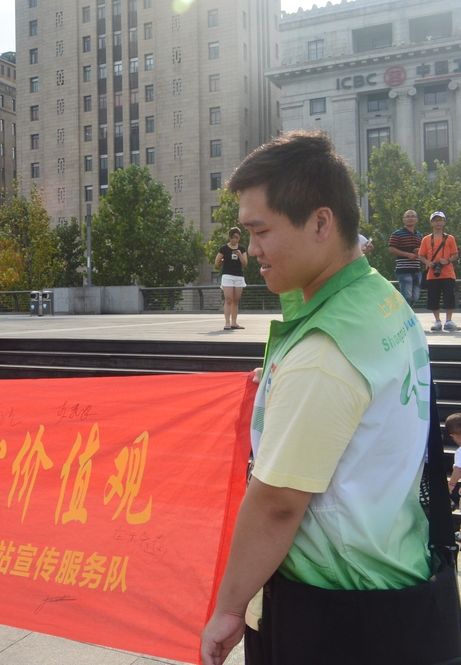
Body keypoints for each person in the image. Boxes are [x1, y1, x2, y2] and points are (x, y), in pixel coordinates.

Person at [200, 132, 444, 664]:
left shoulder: (324, 353)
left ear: (320, 223)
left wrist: (229, 607)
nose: (253, 249)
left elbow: (278, 504)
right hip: (396, 573)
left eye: (261, 231)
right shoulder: (381, 299)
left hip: (335, 612)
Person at [419, 211, 458, 332]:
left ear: (444, 222)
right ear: (431, 223)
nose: (438, 223)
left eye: (440, 220)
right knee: (433, 297)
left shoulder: (449, 238)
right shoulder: (426, 239)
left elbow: (455, 254)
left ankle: (449, 321)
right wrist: (428, 263)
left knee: (448, 296)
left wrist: (447, 260)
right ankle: (437, 321)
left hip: (447, 272)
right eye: (435, 221)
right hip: (432, 273)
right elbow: (421, 255)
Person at [214, 228, 248, 330]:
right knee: (228, 299)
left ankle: (234, 322)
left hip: (238, 276)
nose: (235, 240)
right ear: (229, 237)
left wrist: (239, 255)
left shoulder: (241, 249)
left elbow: (245, 263)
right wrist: (225, 260)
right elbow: (217, 262)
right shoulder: (224, 248)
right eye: (233, 237)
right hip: (228, 275)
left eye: (237, 238)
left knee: (236, 300)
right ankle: (227, 322)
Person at [388, 210, 424, 307]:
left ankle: (404, 311)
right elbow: (391, 249)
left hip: (416, 270)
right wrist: (407, 254)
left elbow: (425, 250)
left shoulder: (419, 235)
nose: (410, 218)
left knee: (415, 296)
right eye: (407, 216)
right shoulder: (397, 234)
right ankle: (406, 316)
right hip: (403, 269)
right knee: (407, 296)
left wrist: (419, 250)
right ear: (404, 219)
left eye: (412, 216)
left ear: (416, 220)